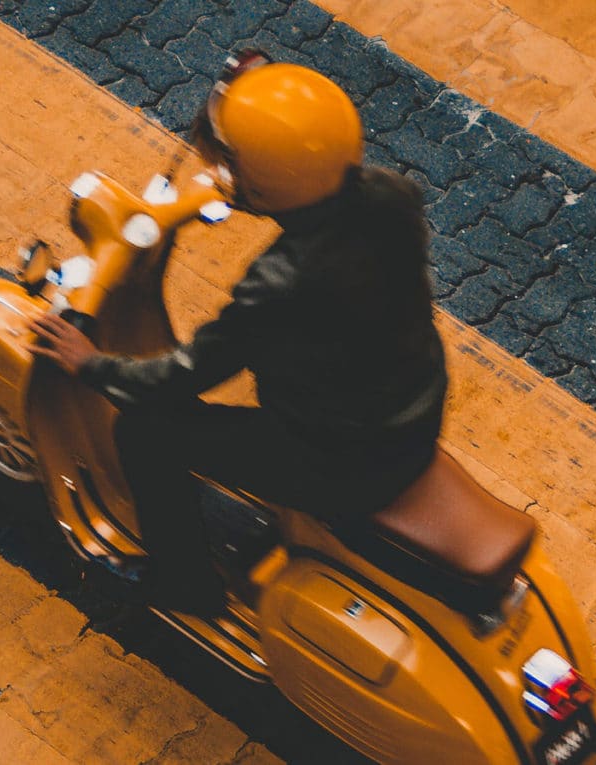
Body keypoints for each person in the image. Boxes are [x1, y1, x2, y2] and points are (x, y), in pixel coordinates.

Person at [30, 51, 447, 618]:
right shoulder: (392, 196)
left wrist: (90, 363)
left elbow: (181, 377)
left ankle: (184, 587)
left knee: (145, 430)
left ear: (266, 177)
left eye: (235, 164)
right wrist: (257, 190)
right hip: (409, 415)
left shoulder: (278, 284)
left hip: (342, 462)